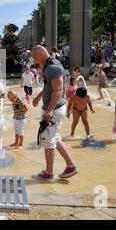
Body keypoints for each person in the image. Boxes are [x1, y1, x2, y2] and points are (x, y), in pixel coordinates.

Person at [31, 45, 79, 181]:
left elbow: (58, 90)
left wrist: (49, 110)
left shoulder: (53, 68)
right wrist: (39, 96)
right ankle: (71, 166)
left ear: (41, 54)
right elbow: (49, 86)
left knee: (47, 140)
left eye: (35, 58)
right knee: (56, 139)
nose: (35, 62)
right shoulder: (50, 64)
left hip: (54, 109)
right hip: (55, 108)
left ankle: (48, 172)